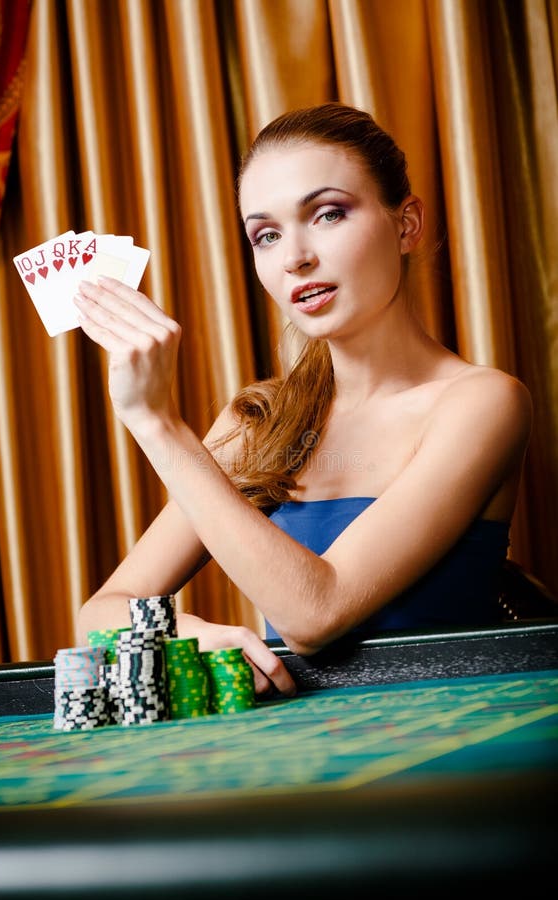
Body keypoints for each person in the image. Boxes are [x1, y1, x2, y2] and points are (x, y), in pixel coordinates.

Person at [74, 102, 532, 698]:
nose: (295, 258)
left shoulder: (483, 403)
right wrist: (180, 634)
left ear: (406, 224)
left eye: (328, 214)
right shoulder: (261, 422)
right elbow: (99, 616)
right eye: (266, 234)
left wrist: (155, 421)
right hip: (298, 760)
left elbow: (317, 613)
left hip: (446, 748)